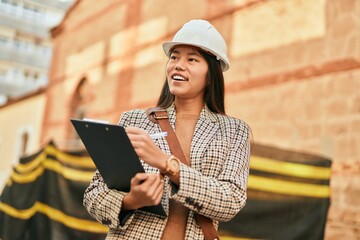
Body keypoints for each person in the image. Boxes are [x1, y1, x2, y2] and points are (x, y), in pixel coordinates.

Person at [83, 19, 251, 240]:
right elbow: (93, 196)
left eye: (192, 59)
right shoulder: (134, 120)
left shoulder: (234, 131)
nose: (178, 65)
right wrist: (131, 200)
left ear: (211, 74)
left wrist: (167, 164)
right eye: (174, 57)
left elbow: (230, 201)